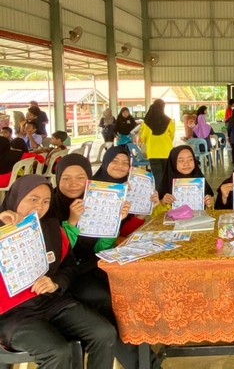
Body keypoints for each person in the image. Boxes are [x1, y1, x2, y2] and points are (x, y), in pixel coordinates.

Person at [48, 154, 156, 369]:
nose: (73, 184)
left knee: (131, 292)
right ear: (57, 179)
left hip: (90, 267)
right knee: (109, 302)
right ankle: (146, 364)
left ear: (88, 179)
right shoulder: (49, 207)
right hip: (63, 277)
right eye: (66, 178)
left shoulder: (95, 202)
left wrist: (114, 221)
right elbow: (58, 255)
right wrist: (71, 222)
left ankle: (147, 360)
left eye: (80, 178)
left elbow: (100, 248)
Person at [0, 175, 116, 368]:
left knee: (104, 333)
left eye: (46, 201)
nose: (39, 207)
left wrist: (56, 282)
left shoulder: (52, 228)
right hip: (12, 314)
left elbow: (69, 266)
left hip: (51, 302)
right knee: (58, 352)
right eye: (33, 199)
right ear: (16, 197)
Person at [157, 145, 214, 214]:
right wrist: (162, 202)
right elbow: (156, 216)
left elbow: (211, 213)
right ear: (173, 162)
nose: (186, 164)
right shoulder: (166, 186)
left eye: (190, 159)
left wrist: (209, 205)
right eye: (181, 161)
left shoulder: (201, 183)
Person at [139, 99, 175, 188]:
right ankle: (168, 191)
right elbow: (172, 136)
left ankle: (159, 192)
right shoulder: (169, 120)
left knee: (157, 174)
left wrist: (147, 141)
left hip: (153, 152)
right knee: (167, 173)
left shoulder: (147, 122)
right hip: (166, 151)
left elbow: (143, 137)